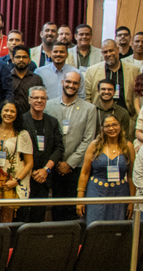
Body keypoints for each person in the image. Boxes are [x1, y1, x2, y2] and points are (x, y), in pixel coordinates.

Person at [44, 71, 97, 221]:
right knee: (55, 208)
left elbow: (88, 139)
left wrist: (69, 163)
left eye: (75, 83)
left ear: (79, 86)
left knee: (71, 208)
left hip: (76, 167)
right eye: (68, 82)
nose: (71, 85)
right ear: (62, 82)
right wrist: (56, 161)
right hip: (53, 165)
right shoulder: (49, 106)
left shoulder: (89, 109)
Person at [76, 113, 135, 224]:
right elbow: (84, 172)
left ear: (120, 126)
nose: (111, 128)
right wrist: (80, 198)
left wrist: (132, 201)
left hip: (120, 192)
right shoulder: (94, 145)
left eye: (114, 125)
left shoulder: (128, 146)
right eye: (107, 126)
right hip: (96, 192)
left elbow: (131, 176)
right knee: (94, 227)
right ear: (102, 128)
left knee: (116, 227)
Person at [18, 86, 65, 223]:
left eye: (42, 98)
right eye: (36, 97)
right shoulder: (21, 121)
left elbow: (59, 148)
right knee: (20, 216)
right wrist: (29, 170)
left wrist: (46, 169)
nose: (39, 100)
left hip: (43, 178)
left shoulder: (52, 122)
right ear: (29, 100)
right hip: (24, 176)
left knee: (38, 217)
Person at [0, 100, 33, 223]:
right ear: (0, 112)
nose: (8, 114)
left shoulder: (22, 134)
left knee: (7, 215)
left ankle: (4, 241)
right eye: (6, 110)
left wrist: (16, 181)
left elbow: (29, 163)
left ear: (17, 115)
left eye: (12, 111)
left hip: (10, 179)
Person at [83, 39, 141, 115]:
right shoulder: (92, 71)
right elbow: (87, 97)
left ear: (118, 49)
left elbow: (138, 97)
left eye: (111, 50)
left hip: (126, 117)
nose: (108, 54)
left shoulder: (133, 71)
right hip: (100, 117)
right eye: (105, 52)